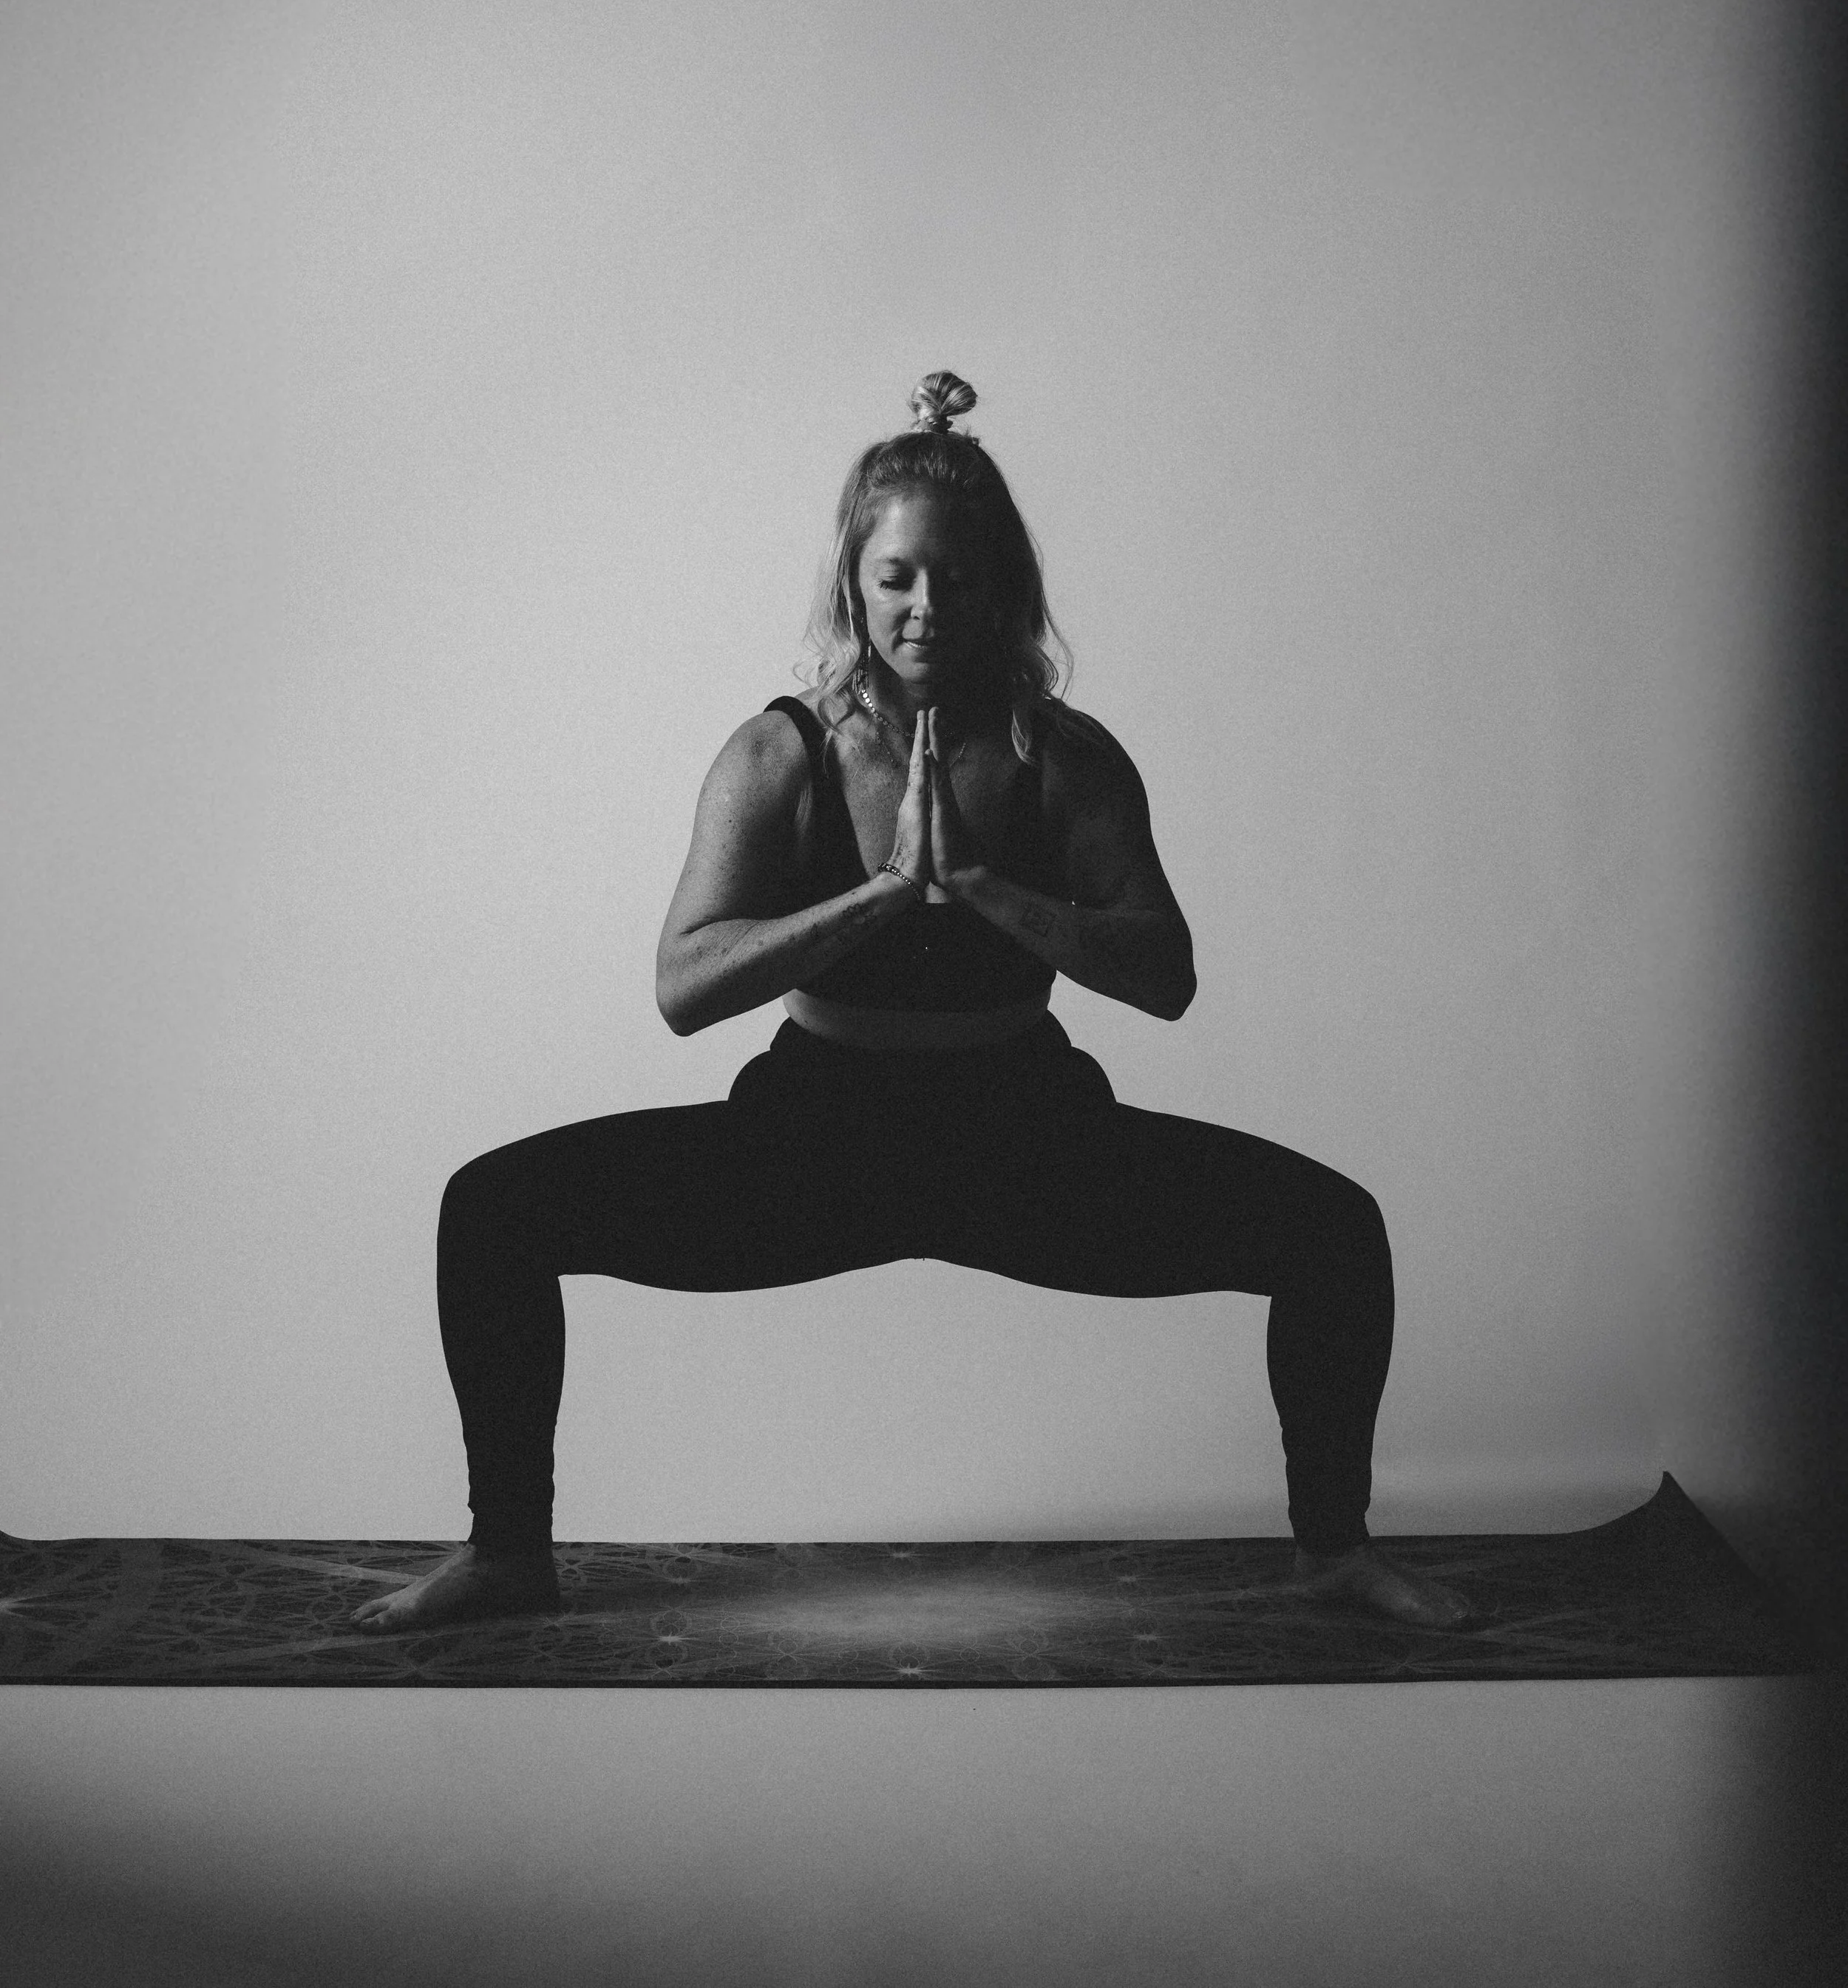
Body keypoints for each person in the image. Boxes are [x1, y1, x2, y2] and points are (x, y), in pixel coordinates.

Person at [356, 372, 1467, 1632]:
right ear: (854, 584)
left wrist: (991, 890)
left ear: (1003, 589)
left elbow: (1166, 975)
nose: (927, 608)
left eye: (957, 578)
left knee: (1334, 1229)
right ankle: (508, 1550)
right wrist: (880, 898)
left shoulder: (1070, 757)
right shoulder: (778, 754)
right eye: (898, 579)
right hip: (814, 1139)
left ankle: (1337, 1553)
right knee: (492, 1208)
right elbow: (683, 985)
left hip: (1029, 1139)